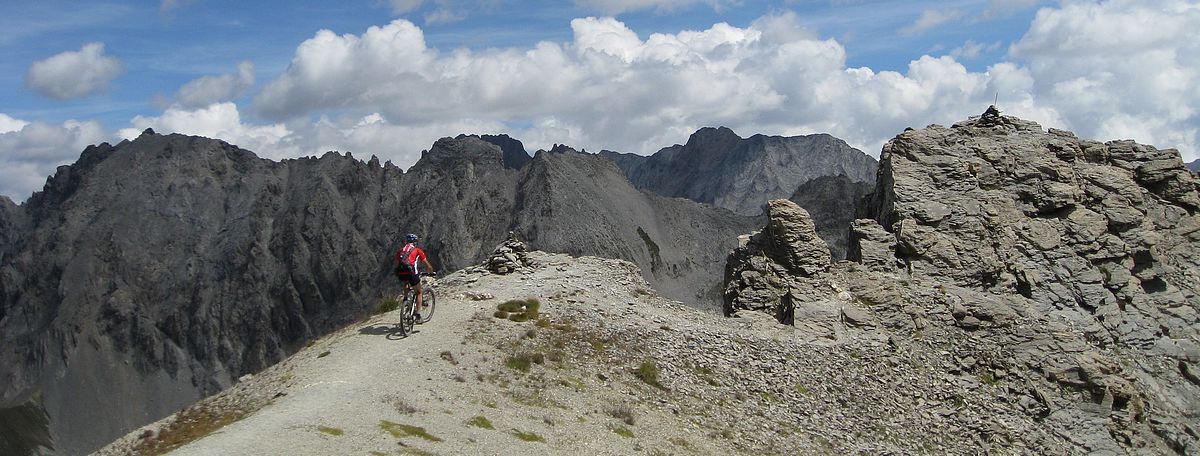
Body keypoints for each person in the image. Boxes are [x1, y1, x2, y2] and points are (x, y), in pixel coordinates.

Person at [395, 233, 435, 321]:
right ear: (415, 242)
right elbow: (426, 264)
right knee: (419, 292)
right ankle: (418, 315)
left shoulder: (400, 251)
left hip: (401, 273)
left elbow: (397, 264)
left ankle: (405, 299)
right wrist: (431, 272)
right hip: (412, 273)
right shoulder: (417, 250)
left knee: (406, 281)